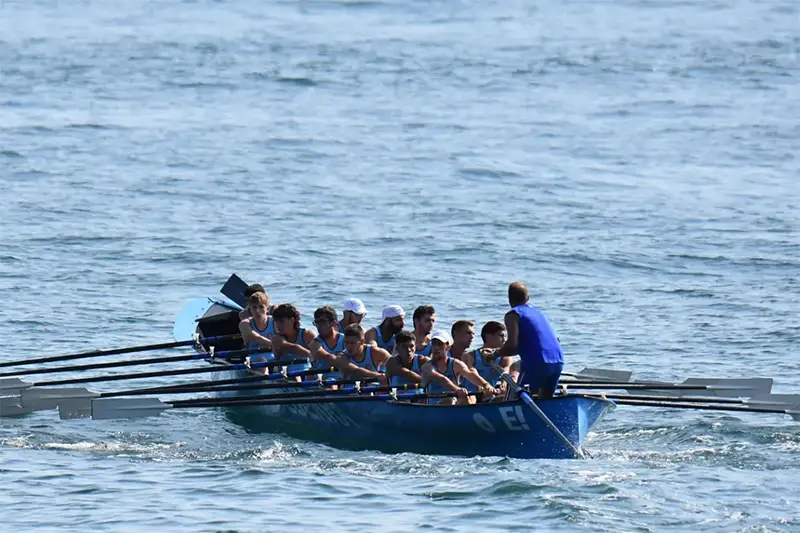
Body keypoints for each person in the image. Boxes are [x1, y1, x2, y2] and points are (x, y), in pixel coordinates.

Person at [493, 281, 564, 399]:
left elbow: (512, 346)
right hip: (558, 360)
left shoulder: (513, 314)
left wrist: (495, 354)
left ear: (509, 299)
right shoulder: (540, 312)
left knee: (516, 394)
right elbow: (523, 346)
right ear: (528, 298)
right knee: (545, 400)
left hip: (537, 362)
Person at [420, 331, 497, 405]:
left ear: (448, 347)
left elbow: (470, 375)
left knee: (467, 398)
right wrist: (457, 389)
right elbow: (442, 379)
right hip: (433, 405)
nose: (436, 348)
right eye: (434, 344)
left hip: (453, 402)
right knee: (449, 401)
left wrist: (486, 385)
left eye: (440, 344)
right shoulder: (427, 367)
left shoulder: (456, 364)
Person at [463, 320, 514, 395]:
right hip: (472, 395)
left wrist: (504, 384)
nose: (504, 340)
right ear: (489, 336)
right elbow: (472, 371)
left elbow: (506, 371)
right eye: (501, 336)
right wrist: (485, 385)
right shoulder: (469, 355)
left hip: (491, 395)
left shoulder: (505, 357)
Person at [270, 303, 316, 379]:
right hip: (286, 375)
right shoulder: (276, 339)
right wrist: (312, 355)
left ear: (292, 320)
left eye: (281, 321)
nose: (278, 325)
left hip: (307, 374)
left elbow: (318, 357)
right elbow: (294, 348)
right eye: (276, 321)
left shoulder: (307, 335)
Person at [238, 292, 275, 367]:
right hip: (255, 360)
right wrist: (274, 344)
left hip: (275, 359)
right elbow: (254, 337)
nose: (258, 311)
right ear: (250, 309)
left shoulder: (275, 322)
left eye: (261, 307)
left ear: (267, 309)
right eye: (254, 307)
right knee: (262, 360)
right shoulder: (244, 324)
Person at [308, 306, 344, 381]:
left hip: (342, 380)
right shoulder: (315, 344)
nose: (318, 326)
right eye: (317, 322)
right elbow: (328, 358)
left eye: (322, 322)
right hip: (321, 380)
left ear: (333, 323)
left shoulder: (345, 340)